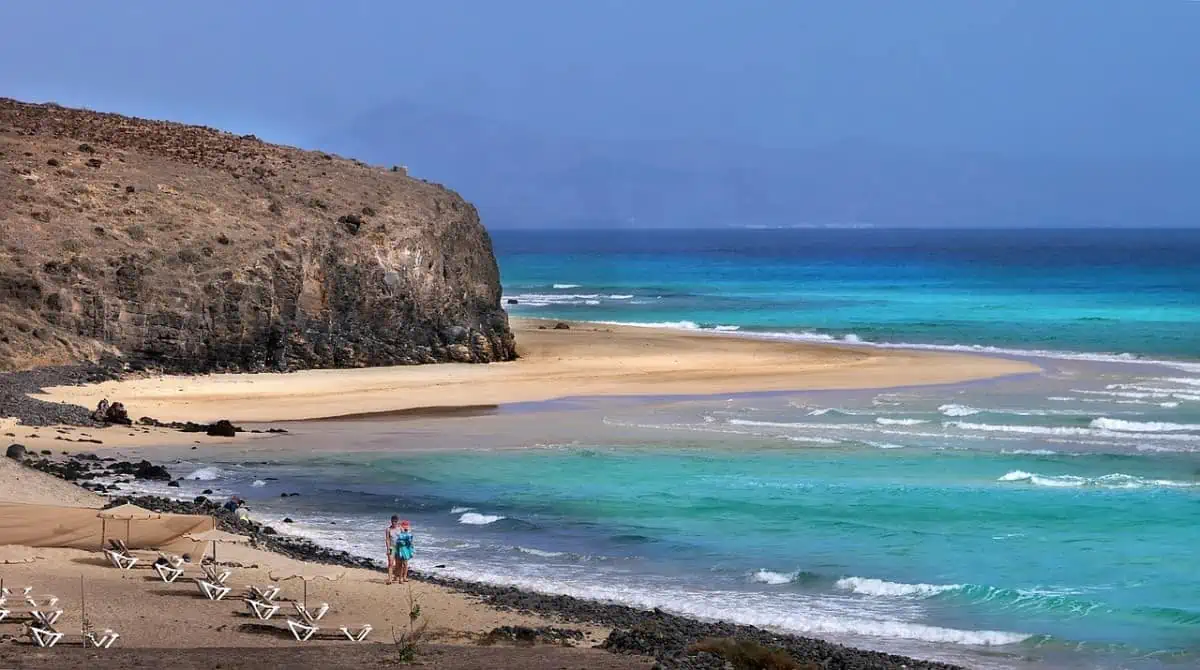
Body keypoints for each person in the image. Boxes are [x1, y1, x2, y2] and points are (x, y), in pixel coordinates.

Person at [384, 515, 401, 584]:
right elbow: (387, 539)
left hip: (399, 548)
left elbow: (405, 536)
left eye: (395, 521)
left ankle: (396, 576)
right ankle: (390, 579)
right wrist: (388, 549)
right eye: (393, 521)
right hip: (392, 547)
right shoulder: (388, 529)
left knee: (398, 564)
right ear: (391, 521)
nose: (394, 523)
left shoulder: (400, 528)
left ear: (397, 521)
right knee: (390, 563)